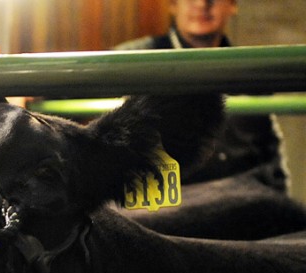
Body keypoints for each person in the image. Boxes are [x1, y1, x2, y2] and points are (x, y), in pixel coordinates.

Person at [116, 0, 288, 193]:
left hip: (242, 201)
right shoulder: (131, 60)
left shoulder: (252, 71)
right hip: (164, 202)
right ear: (173, 5)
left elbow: (270, 157)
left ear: (232, 5)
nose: (201, 3)